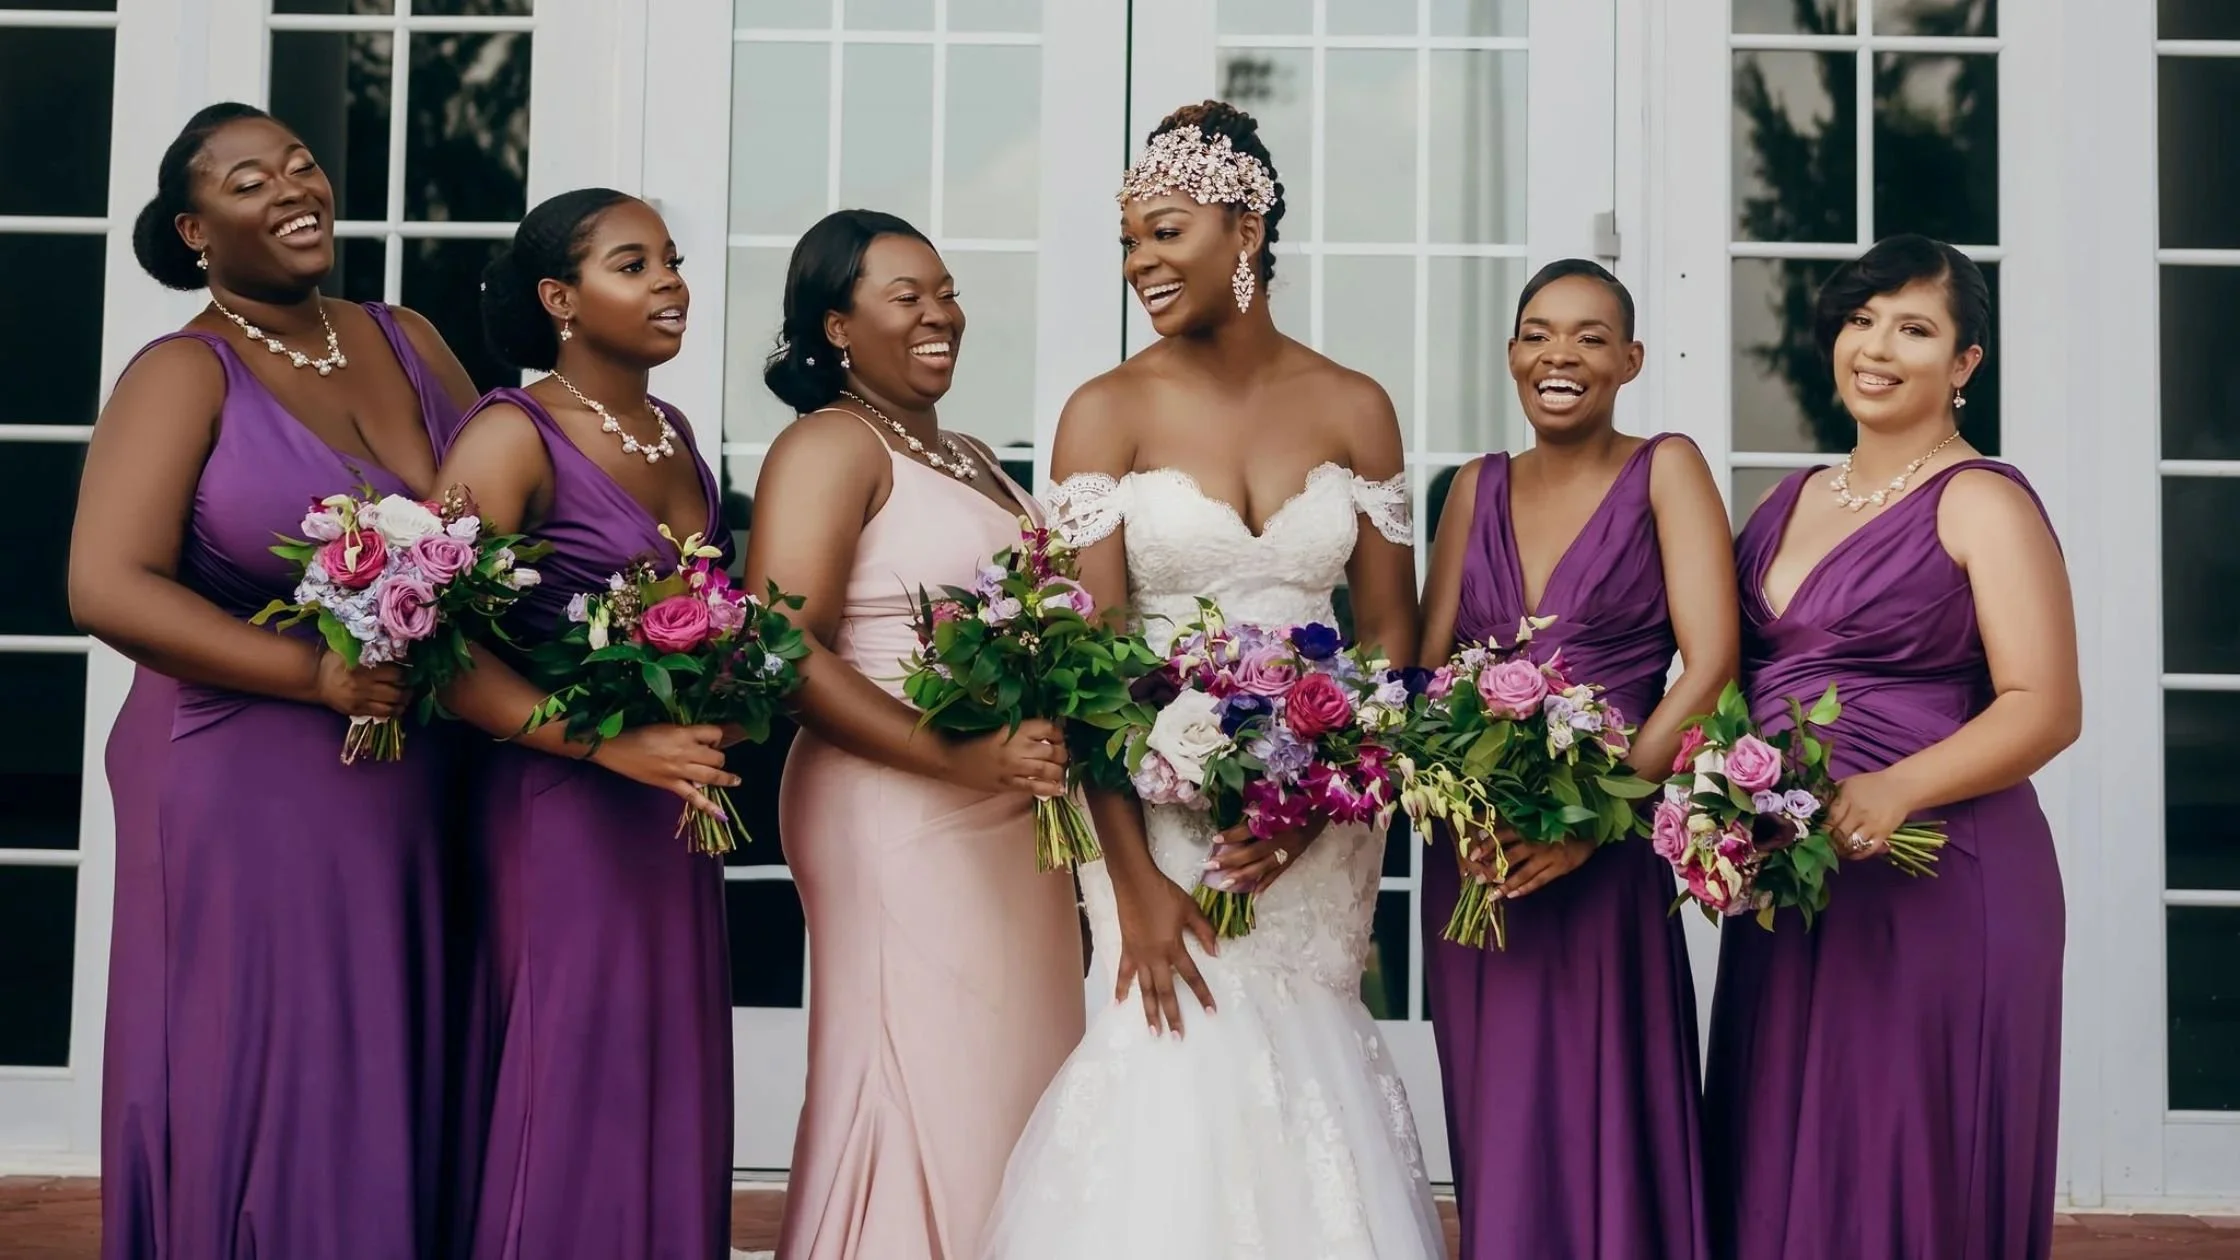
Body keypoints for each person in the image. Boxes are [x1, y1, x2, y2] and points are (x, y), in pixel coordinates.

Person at [982, 101, 1443, 1259]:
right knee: (1170, 1063)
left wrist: (1318, 801)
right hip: (1153, 815)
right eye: (1127, 241)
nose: (1139, 262)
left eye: (1164, 232)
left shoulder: (1355, 406)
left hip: (1321, 815)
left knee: (1310, 1066)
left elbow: (1389, 633)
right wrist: (1132, 883)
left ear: (1245, 229)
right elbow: (1085, 663)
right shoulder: (1104, 412)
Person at [70, 101, 480, 1259]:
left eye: (300, 165)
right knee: (267, 1066)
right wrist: (315, 676)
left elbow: (488, 523)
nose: (294, 189)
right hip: (235, 769)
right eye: (250, 182)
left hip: (406, 767)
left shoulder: (407, 338)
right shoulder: (181, 372)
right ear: (195, 231)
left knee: (384, 1057)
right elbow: (106, 585)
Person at [1705, 234, 2078, 1258]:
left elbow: (2044, 705)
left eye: (1913, 328)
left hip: (1939, 878)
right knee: (1784, 1154)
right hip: (1795, 881)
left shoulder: (1982, 500)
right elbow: (1728, 684)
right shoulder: (1783, 501)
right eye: (1861, 320)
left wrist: (1894, 789)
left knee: (1905, 1159)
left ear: (1964, 363)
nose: (1874, 347)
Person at [744, 209, 1083, 1260]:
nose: (940, 314)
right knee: (931, 1077)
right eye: (907, 297)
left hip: (1005, 807)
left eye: (946, 293)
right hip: (894, 806)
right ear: (838, 327)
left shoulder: (967, 454)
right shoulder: (827, 445)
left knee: (1014, 1075)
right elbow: (780, 648)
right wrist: (957, 753)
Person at [434, 189, 739, 1260]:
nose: (669, 283)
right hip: (558, 802)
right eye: (633, 265)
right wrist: (609, 743)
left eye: (671, 260)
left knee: (663, 1069)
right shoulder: (509, 434)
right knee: (570, 1075)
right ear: (559, 299)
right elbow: (436, 645)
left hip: (670, 810)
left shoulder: (676, 433)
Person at [1416, 260, 1731, 1259]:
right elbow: (1429, 669)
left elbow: (1710, 662)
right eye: (1539, 334)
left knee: (1606, 1117)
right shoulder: (1475, 486)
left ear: (1630, 361)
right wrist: (1460, 805)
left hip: (1604, 843)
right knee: (1497, 1120)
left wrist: (1599, 818)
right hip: (1477, 857)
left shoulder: (1666, 468)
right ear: (1511, 353)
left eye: (1591, 338)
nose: (1560, 355)